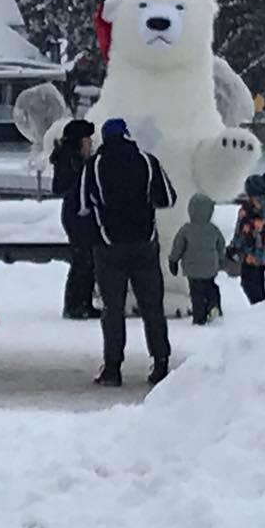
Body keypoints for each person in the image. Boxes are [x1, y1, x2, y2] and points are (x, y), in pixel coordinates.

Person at [77, 116, 177, 388]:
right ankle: (160, 363)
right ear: (128, 135)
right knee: (152, 307)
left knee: (113, 309)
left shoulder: (95, 165)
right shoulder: (147, 161)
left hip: (108, 246)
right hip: (144, 243)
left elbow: (84, 205)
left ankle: (112, 368)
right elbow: (168, 198)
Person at [50, 118, 98, 320]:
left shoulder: (70, 157)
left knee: (86, 259)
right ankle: (76, 304)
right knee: (83, 260)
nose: (91, 144)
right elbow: (62, 186)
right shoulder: (71, 160)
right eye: (88, 139)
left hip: (77, 213)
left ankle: (82, 302)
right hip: (77, 214)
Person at [168, 193, 226, 326]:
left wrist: (173, 261)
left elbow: (178, 246)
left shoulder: (186, 229)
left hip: (192, 268)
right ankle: (214, 306)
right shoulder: (213, 229)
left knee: (196, 292)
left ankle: (199, 317)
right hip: (210, 267)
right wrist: (221, 258)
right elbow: (220, 244)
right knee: (210, 286)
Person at [230, 171, 265, 305]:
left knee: (248, 282)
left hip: (250, 252)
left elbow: (240, 232)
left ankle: (258, 307)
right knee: (259, 281)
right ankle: (261, 306)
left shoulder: (247, 208)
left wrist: (233, 247)